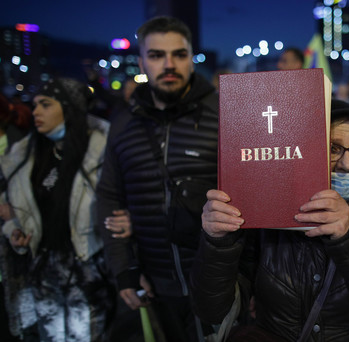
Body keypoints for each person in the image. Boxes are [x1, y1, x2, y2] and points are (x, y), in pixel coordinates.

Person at [190, 99, 349, 341]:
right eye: (333, 148)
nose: (347, 165)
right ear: (304, 151)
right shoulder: (267, 207)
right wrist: (218, 242)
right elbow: (211, 310)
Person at [95, 16, 218, 342]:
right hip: (155, 285)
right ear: (141, 62)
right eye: (156, 55)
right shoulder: (124, 123)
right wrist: (124, 270)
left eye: (179, 54)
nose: (169, 64)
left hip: (219, 283)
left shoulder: (223, 114)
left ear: (191, 57)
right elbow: (108, 197)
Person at [0, 77, 113, 341]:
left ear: (69, 107)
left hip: (88, 271)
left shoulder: (101, 152)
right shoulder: (25, 155)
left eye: (46, 104)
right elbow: (13, 208)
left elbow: (116, 206)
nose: (36, 112)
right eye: (35, 104)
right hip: (41, 271)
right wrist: (14, 230)